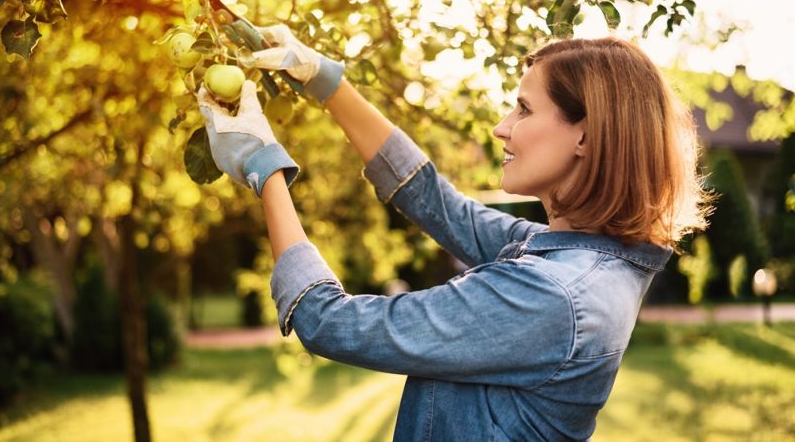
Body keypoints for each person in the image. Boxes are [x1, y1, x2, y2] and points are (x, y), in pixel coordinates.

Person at [197, 26, 711, 441]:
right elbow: (438, 204)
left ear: (587, 134)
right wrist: (324, 81)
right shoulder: (586, 262)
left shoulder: (551, 296)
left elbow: (327, 320)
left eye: (525, 109)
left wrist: (266, 170)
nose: (501, 127)